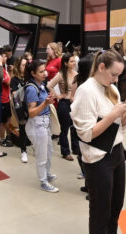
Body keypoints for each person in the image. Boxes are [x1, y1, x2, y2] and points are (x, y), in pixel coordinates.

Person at [71, 50, 126, 234]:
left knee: (115, 209)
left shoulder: (111, 89)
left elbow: (119, 127)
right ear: (101, 67)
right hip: (98, 160)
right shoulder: (86, 90)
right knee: (101, 213)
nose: (116, 79)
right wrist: (113, 114)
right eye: (114, 74)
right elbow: (86, 134)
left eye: (118, 75)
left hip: (117, 153)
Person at [24, 59, 59, 193]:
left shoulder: (41, 85)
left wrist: (47, 100)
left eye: (45, 70)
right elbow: (32, 112)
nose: (45, 73)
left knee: (49, 151)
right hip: (37, 125)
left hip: (44, 123)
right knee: (41, 155)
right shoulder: (32, 89)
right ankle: (43, 181)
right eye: (41, 71)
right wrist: (45, 104)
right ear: (33, 73)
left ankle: (47, 173)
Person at [48, 53, 79, 161]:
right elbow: (49, 85)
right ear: (65, 63)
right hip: (64, 104)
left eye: (74, 61)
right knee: (64, 129)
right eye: (71, 61)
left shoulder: (76, 74)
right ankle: (65, 152)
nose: (74, 63)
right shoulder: (61, 74)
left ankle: (76, 148)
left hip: (74, 104)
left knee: (75, 127)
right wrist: (57, 96)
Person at [71, 54, 94, 195]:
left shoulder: (95, 82)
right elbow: (73, 99)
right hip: (81, 122)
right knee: (83, 155)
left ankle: (91, 186)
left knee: (89, 156)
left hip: (91, 122)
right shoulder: (78, 81)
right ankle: (89, 184)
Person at [10, 57, 31, 163]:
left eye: (26, 65)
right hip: (21, 108)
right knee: (22, 129)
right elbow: (14, 95)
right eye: (23, 65)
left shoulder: (29, 77)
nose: (25, 67)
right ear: (18, 66)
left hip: (31, 106)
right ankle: (23, 151)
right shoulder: (15, 80)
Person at [0, 48, 15, 149]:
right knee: (2, 121)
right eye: (4, 56)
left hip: (6, 98)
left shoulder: (4, 69)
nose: (6, 58)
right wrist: (10, 74)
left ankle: (9, 135)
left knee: (8, 118)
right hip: (2, 99)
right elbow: (8, 82)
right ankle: (2, 139)